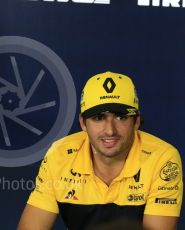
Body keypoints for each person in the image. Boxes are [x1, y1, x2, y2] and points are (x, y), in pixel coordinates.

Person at [18, 72, 183, 230]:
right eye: (98, 118)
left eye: (120, 117)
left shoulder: (162, 158)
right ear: (83, 123)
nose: (110, 130)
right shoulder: (59, 155)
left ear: (136, 121)